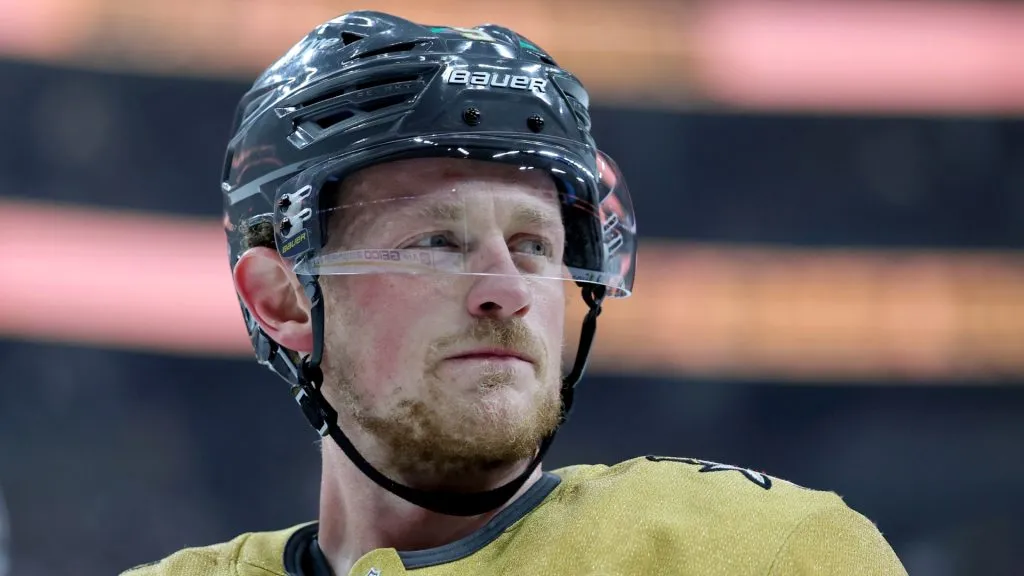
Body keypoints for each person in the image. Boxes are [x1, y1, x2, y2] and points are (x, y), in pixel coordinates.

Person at [123, 11, 907, 576]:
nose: (506, 291)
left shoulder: (760, 555)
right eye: (437, 242)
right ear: (285, 300)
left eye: (535, 247)